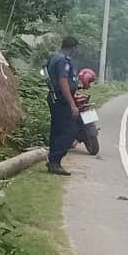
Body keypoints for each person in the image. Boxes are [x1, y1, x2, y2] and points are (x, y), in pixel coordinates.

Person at [45, 34, 82, 176]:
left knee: (57, 130)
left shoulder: (55, 57)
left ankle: (53, 161)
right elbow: (63, 81)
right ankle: (55, 161)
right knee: (70, 131)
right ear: (72, 48)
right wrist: (72, 104)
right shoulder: (63, 60)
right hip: (61, 99)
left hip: (56, 98)